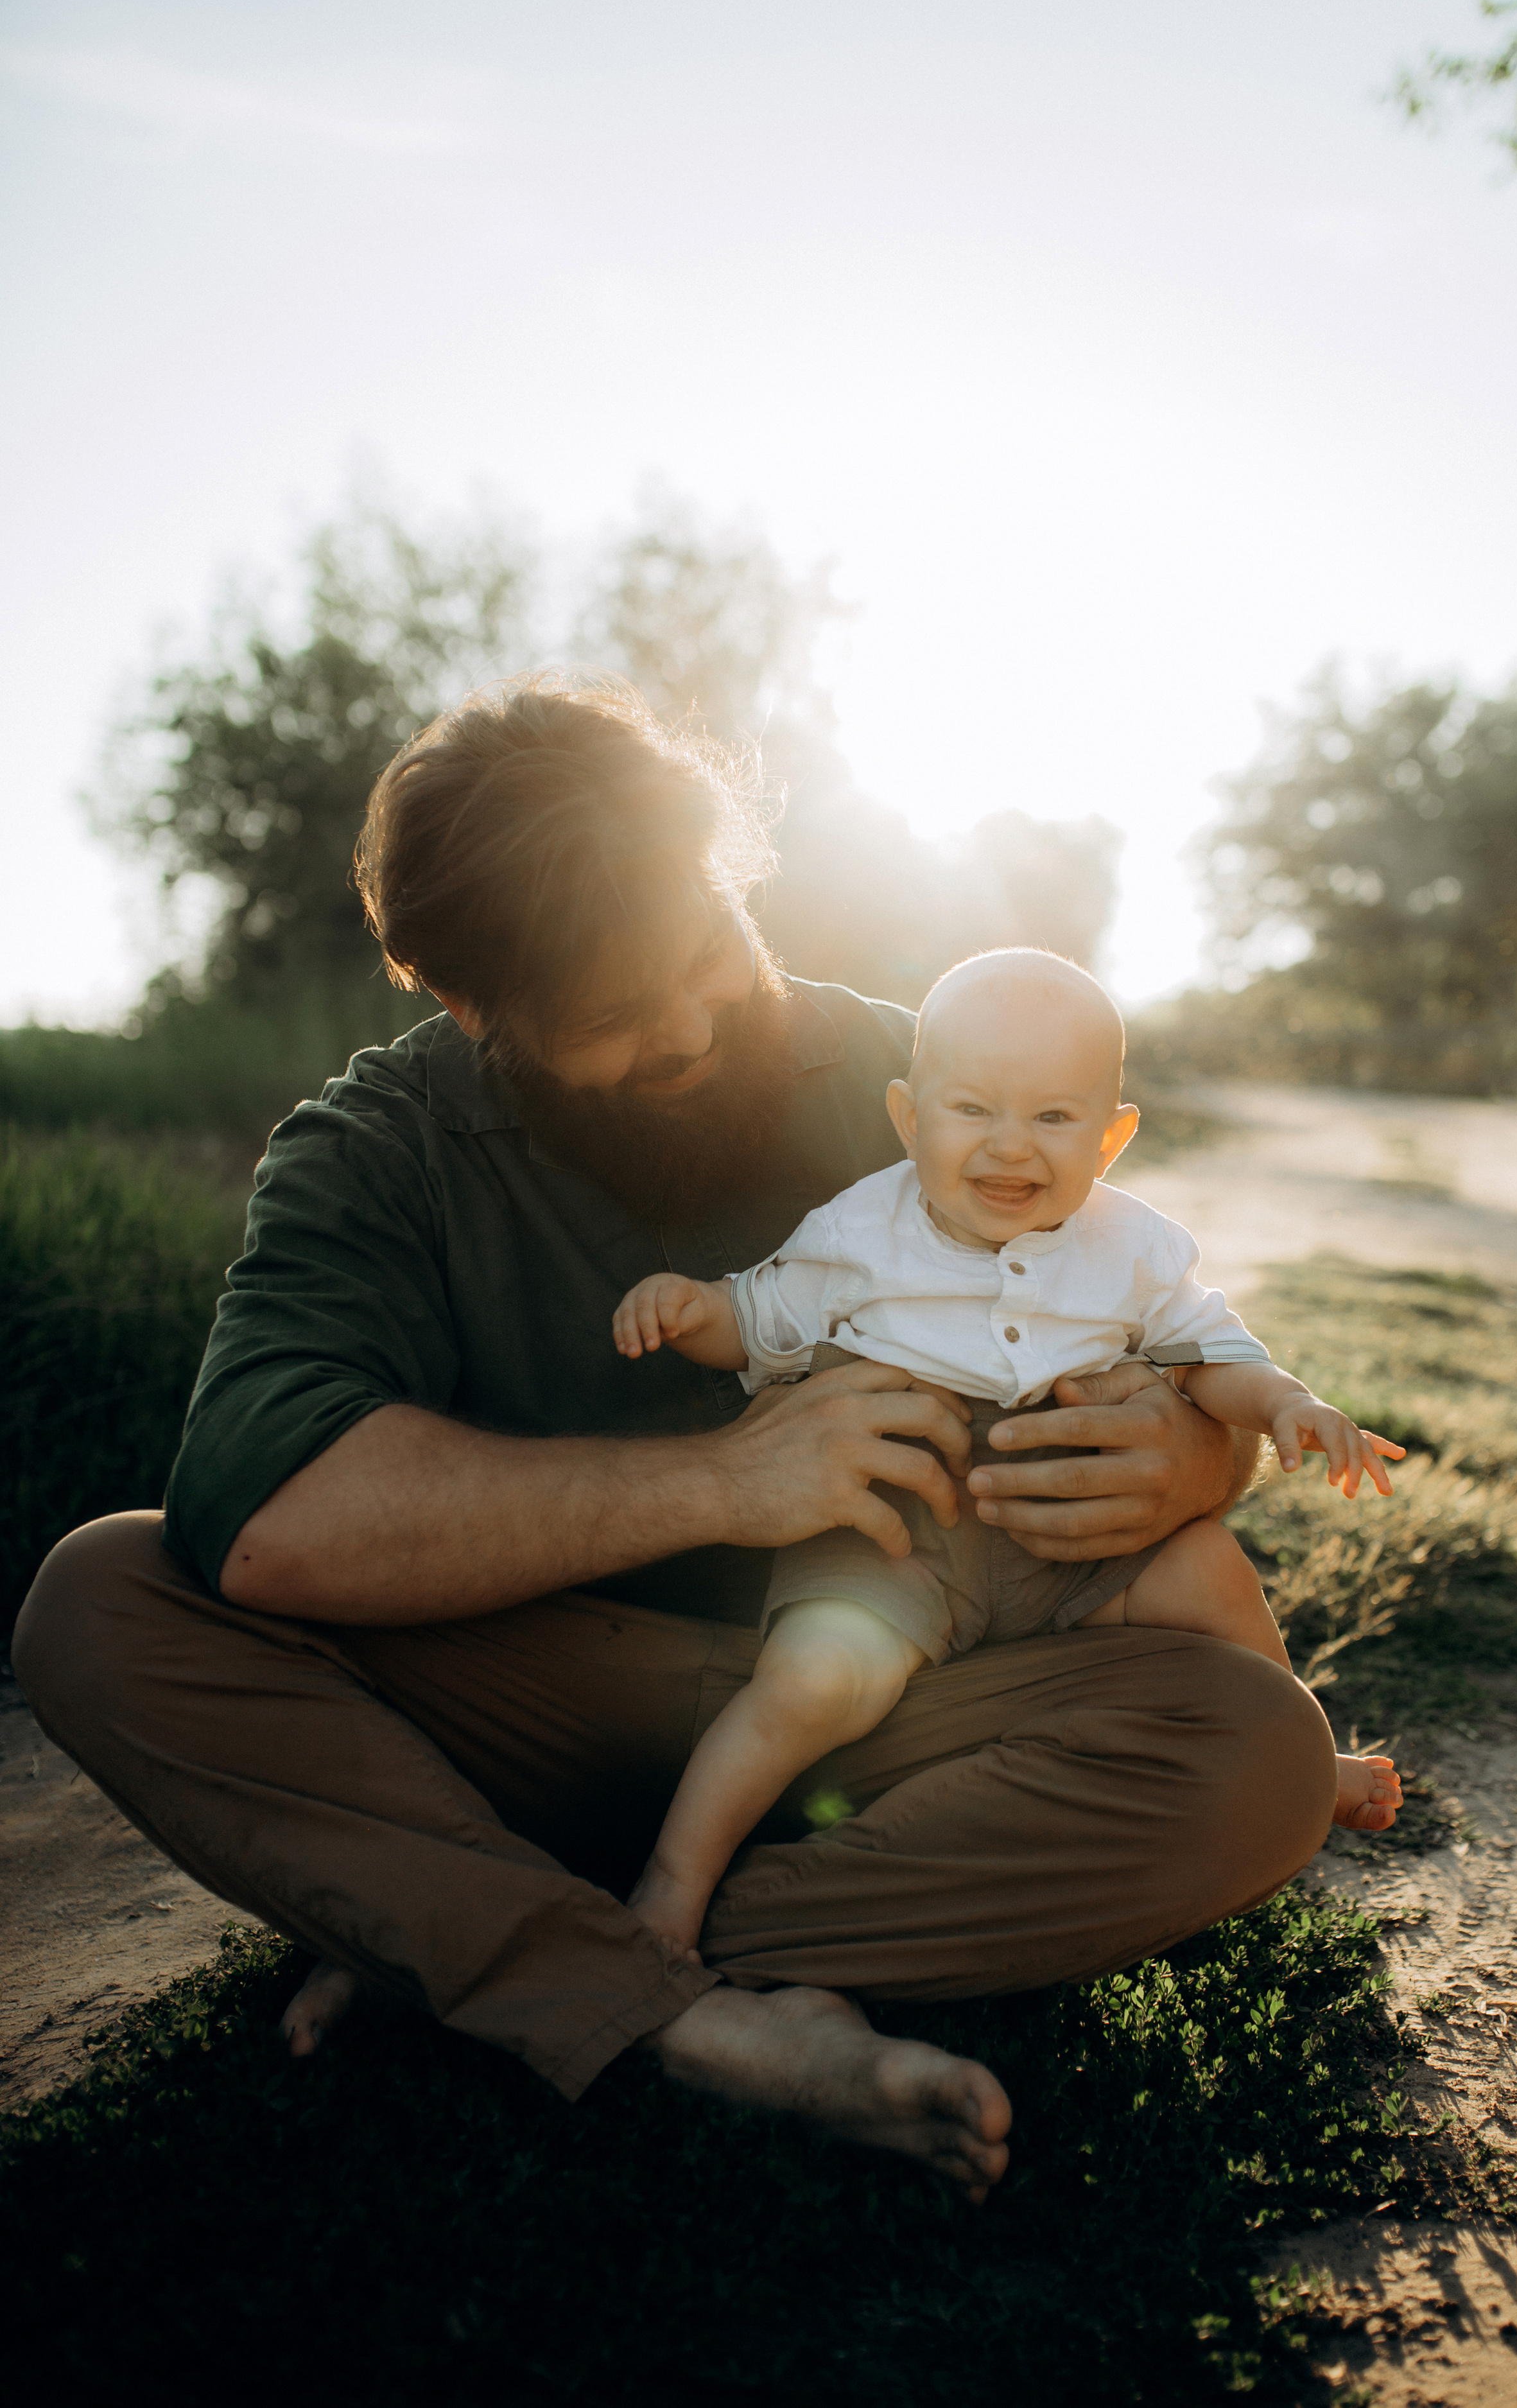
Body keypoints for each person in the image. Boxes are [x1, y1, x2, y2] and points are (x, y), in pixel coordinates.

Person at [13, 675, 1340, 2207]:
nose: (693, 1028)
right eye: (613, 1016)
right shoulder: (372, 1151)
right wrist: (726, 1480)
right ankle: (690, 2010)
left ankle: (478, 1931)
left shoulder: (921, 1079)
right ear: (470, 1007)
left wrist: (1196, 1458)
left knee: (1255, 1748)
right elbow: (263, 1521)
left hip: (897, 1710)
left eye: (709, 950)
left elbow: (1163, 1333)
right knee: (104, 1602)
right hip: (518, 1711)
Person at [612, 950, 1403, 1964]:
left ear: (1111, 1139)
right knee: (810, 1683)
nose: (1009, 1145)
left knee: (1210, 1570)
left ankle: (1302, 1747)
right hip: (898, 1533)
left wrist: (1289, 1402)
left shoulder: (1134, 1248)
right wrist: (693, 1311)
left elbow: (1212, 1357)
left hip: (1070, 1540)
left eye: (1054, 1117)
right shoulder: (861, 1232)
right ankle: (676, 1879)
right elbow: (759, 1321)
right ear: (909, 1118)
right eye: (972, 1109)